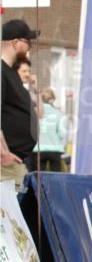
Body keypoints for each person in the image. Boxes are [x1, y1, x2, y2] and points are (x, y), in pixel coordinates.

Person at [1, 19, 40, 190]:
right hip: (6, 163)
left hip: (16, 159)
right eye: (27, 42)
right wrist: (3, 153)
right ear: (15, 43)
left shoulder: (11, 72)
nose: (30, 46)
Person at [30, 88, 67, 172]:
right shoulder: (59, 114)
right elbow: (62, 134)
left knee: (38, 177)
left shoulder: (35, 112)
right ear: (52, 99)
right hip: (55, 148)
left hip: (38, 149)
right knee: (55, 176)